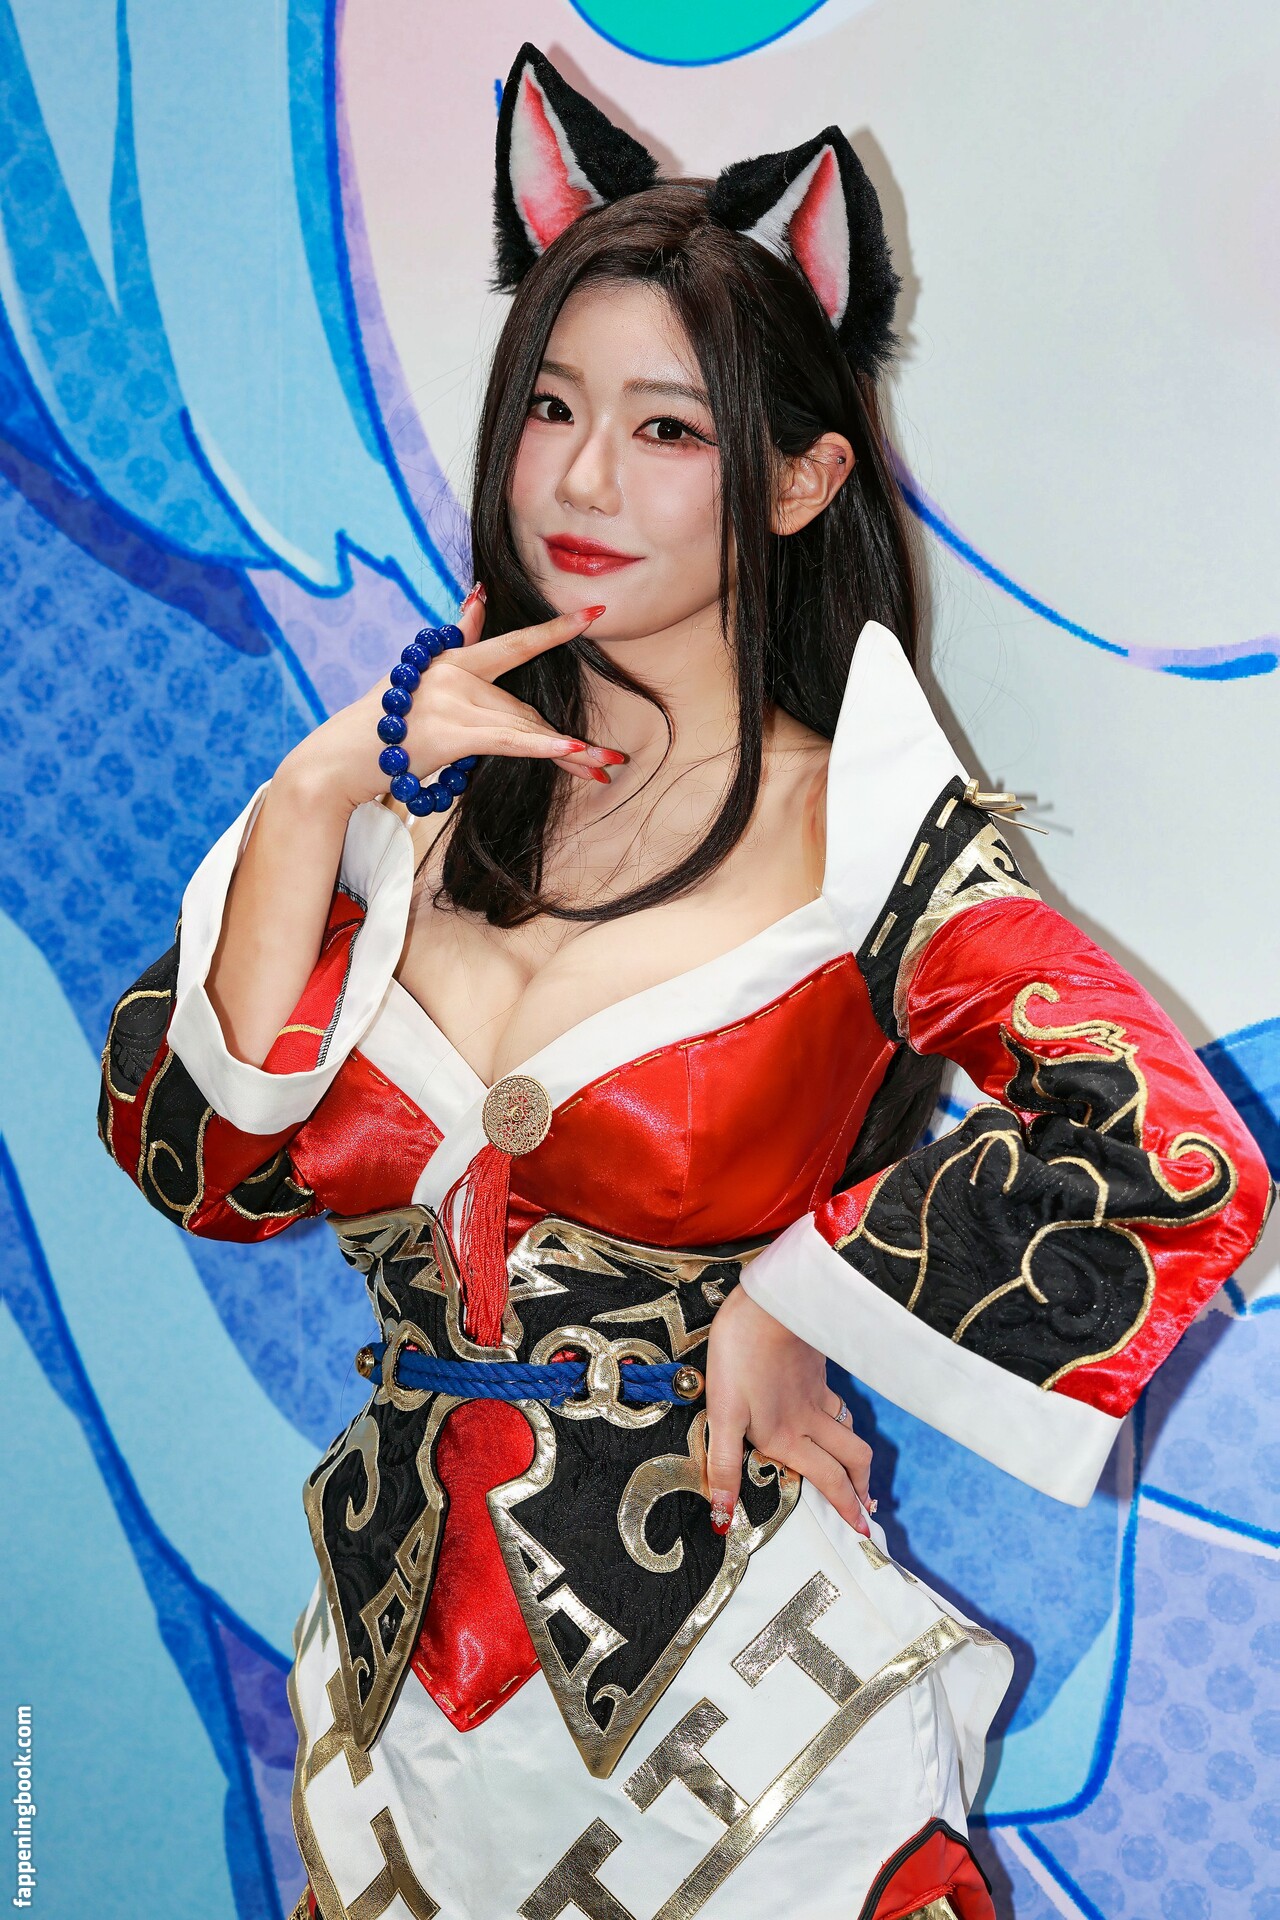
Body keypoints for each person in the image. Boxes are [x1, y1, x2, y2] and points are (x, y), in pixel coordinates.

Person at [96, 43, 1273, 1920]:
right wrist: (324, 790)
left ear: (802, 479)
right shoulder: (404, 813)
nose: (579, 478)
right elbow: (203, 1163)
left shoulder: (863, 833)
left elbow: (1171, 1153)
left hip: (747, 1738)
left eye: (667, 431)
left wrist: (804, 1294)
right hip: (394, 1725)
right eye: (552, 408)